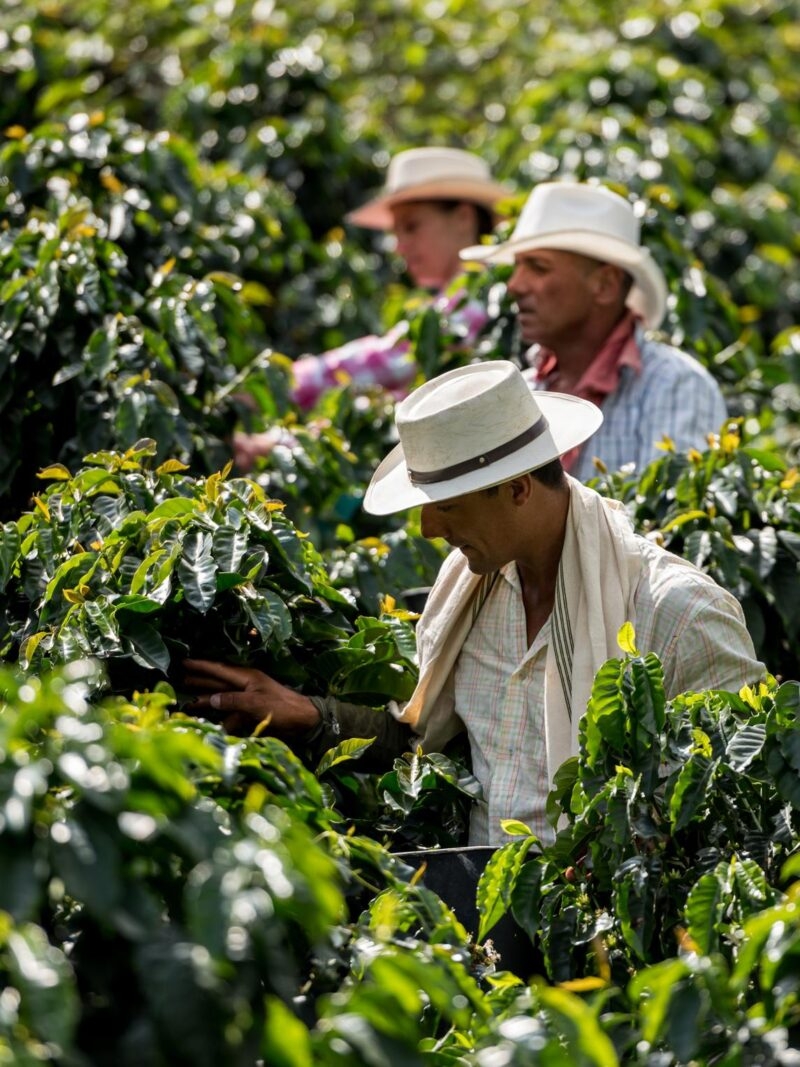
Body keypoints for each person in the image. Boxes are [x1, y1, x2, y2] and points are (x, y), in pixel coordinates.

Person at [185, 361, 764, 846]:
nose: (428, 527)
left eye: (448, 505)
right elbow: (421, 739)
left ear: (518, 490)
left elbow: (743, 809)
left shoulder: (677, 613)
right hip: (487, 923)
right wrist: (309, 713)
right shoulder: (472, 589)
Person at [233, 146, 509, 470]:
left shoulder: (485, 292)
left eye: (411, 226)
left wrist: (277, 387)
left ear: (463, 217)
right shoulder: (450, 299)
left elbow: (395, 359)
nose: (398, 245)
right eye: (395, 232)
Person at [459, 181, 728, 481]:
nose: (516, 285)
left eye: (539, 267)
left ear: (606, 285)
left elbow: (669, 519)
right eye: (518, 266)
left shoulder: (674, 386)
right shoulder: (526, 391)